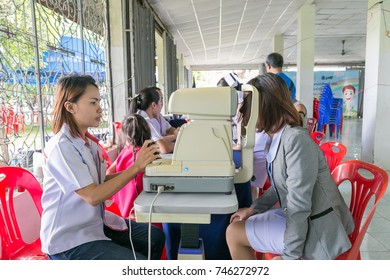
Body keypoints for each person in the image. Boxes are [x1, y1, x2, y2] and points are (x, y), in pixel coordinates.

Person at [226, 73, 354, 260]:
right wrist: (254, 208)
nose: (245, 113)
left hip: (318, 231)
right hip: (301, 220)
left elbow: (299, 204)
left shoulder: (295, 140)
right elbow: (282, 185)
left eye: (249, 107)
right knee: (234, 229)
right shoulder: (277, 136)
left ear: (264, 107)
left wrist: (289, 258)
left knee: (234, 234)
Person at [40, 74, 165, 260]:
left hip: (93, 225)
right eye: (93, 103)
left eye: (99, 101)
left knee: (154, 237)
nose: (100, 108)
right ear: (70, 107)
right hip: (68, 239)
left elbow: (100, 181)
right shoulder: (62, 147)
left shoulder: (89, 143)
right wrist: (136, 166)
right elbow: (93, 195)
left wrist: (139, 168)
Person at [106, 114, 159, 223]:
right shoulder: (149, 154)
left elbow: (109, 172)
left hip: (125, 211)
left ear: (124, 135)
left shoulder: (124, 152)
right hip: (146, 213)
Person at [129, 86, 179, 154]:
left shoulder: (153, 117)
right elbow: (164, 148)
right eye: (160, 100)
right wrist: (179, 144)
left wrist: (166, 139)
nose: (162, 104)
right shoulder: (145, 121)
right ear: (154, 105)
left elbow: (169, 131)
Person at [265, 52, 307, 124]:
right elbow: (293, 100)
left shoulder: (269, 82)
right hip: (291, 117)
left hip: (276, 120)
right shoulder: (290, 82)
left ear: (268, 66)